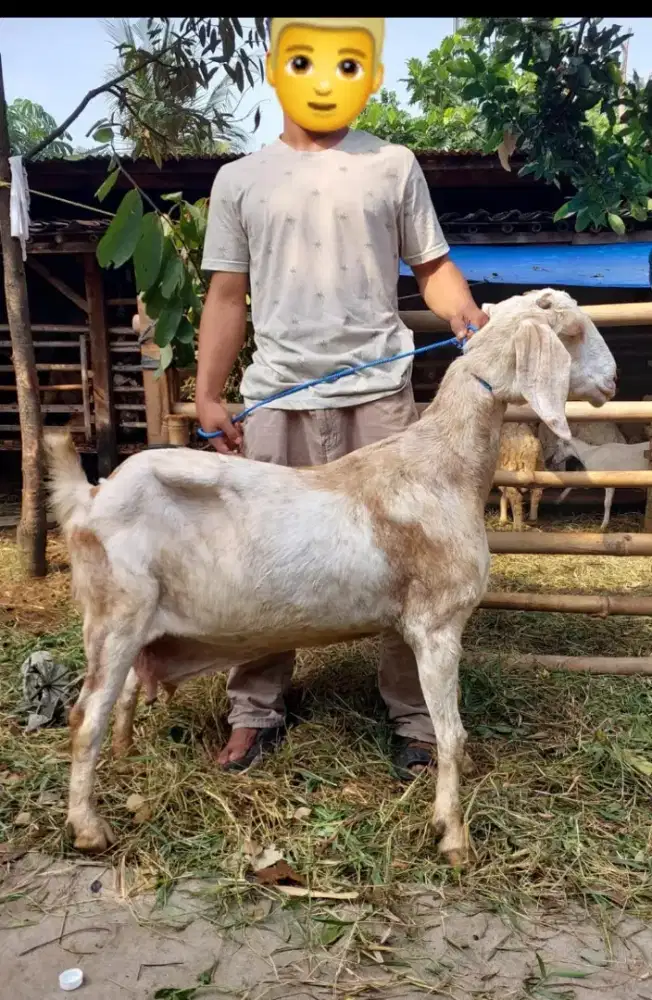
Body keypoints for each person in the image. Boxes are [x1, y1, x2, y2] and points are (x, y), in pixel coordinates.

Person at [196, 16, 489, 777]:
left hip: (381, 396)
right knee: (260, 561)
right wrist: (208, 393)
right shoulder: (239, 179)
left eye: (346, 63)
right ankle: (255, 710)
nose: (324, 78)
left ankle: (417, 719)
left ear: (370, 74)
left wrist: (466, 315)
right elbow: (226, 295)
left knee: (408, 560)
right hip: (277, 399)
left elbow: (432, 267)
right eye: (304, 60)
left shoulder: (393, 165)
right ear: (276, 67)